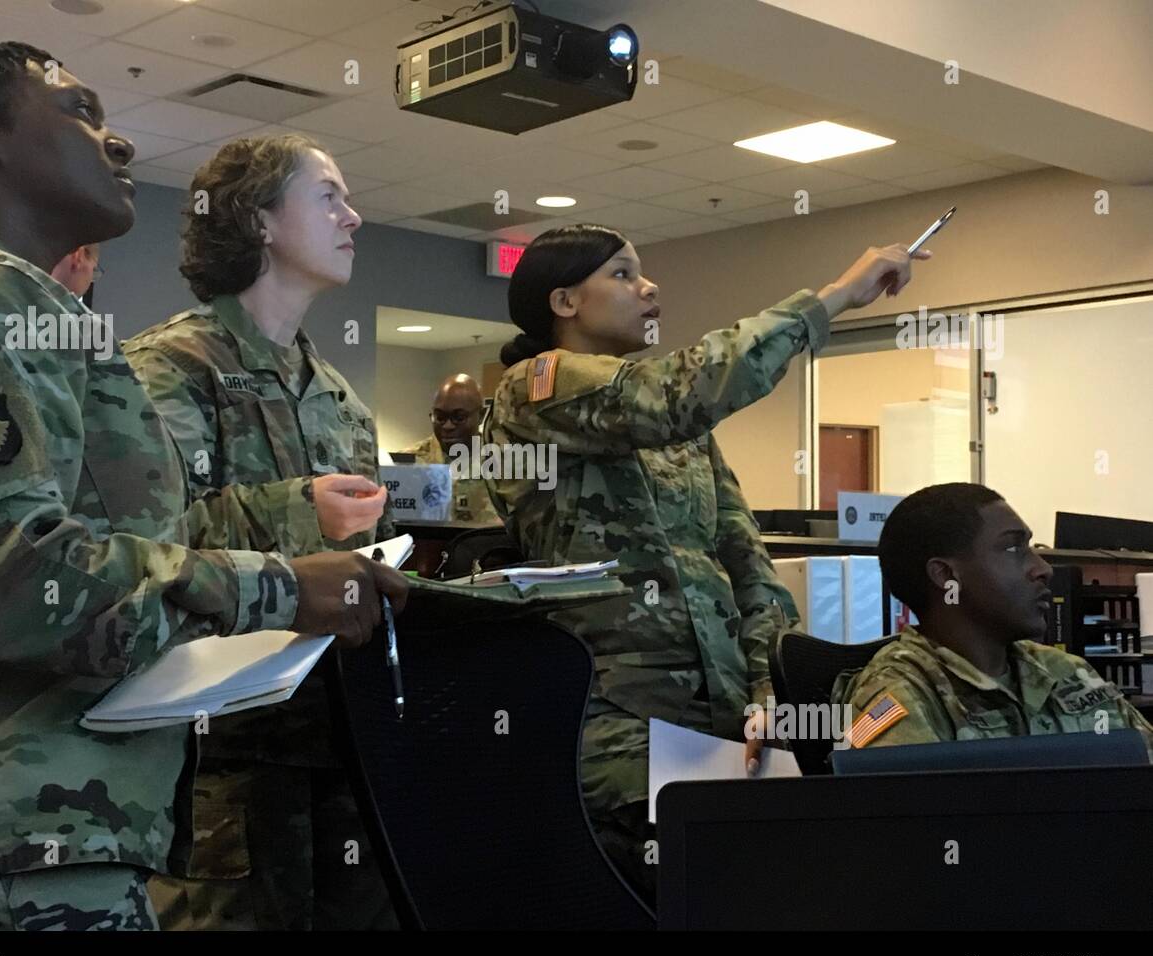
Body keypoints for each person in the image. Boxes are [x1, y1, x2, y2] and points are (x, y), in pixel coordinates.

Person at [0, 42, 407, 931]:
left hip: (39, 837)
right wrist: (277, 585)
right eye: (79, 112)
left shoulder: (29, 312)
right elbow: (1, 581)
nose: (117, 144)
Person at [487, 223, 930, 900]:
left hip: (723, 721)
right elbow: (673, 394)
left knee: (826, 867)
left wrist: (768, 693)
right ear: (565, 302)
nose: (649, 287)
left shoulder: (684, 437)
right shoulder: (534, 388)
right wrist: (836, 296)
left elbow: (748, 568)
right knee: (721, 870)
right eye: (623, 274)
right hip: (614, 724)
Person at [123, 134, 396, 930]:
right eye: (329, 196)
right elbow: (140, 545)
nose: (353, 216)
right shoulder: (169, 367)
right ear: (259, 220)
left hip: (341, 742)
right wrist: (299, 508)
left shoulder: (338, 395)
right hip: (223, 757)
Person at [833, 483, 1153, 755]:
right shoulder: (896, 696)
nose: (1043, 569)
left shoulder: (1066, 671)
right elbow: (907, 810)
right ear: (947, 577)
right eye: (1013, 549)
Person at [402, 372, 499, 525]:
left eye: (459, 418)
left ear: (481, 415)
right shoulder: (406, 464)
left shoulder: (504, 462)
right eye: (440, 418)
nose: (448, 426)